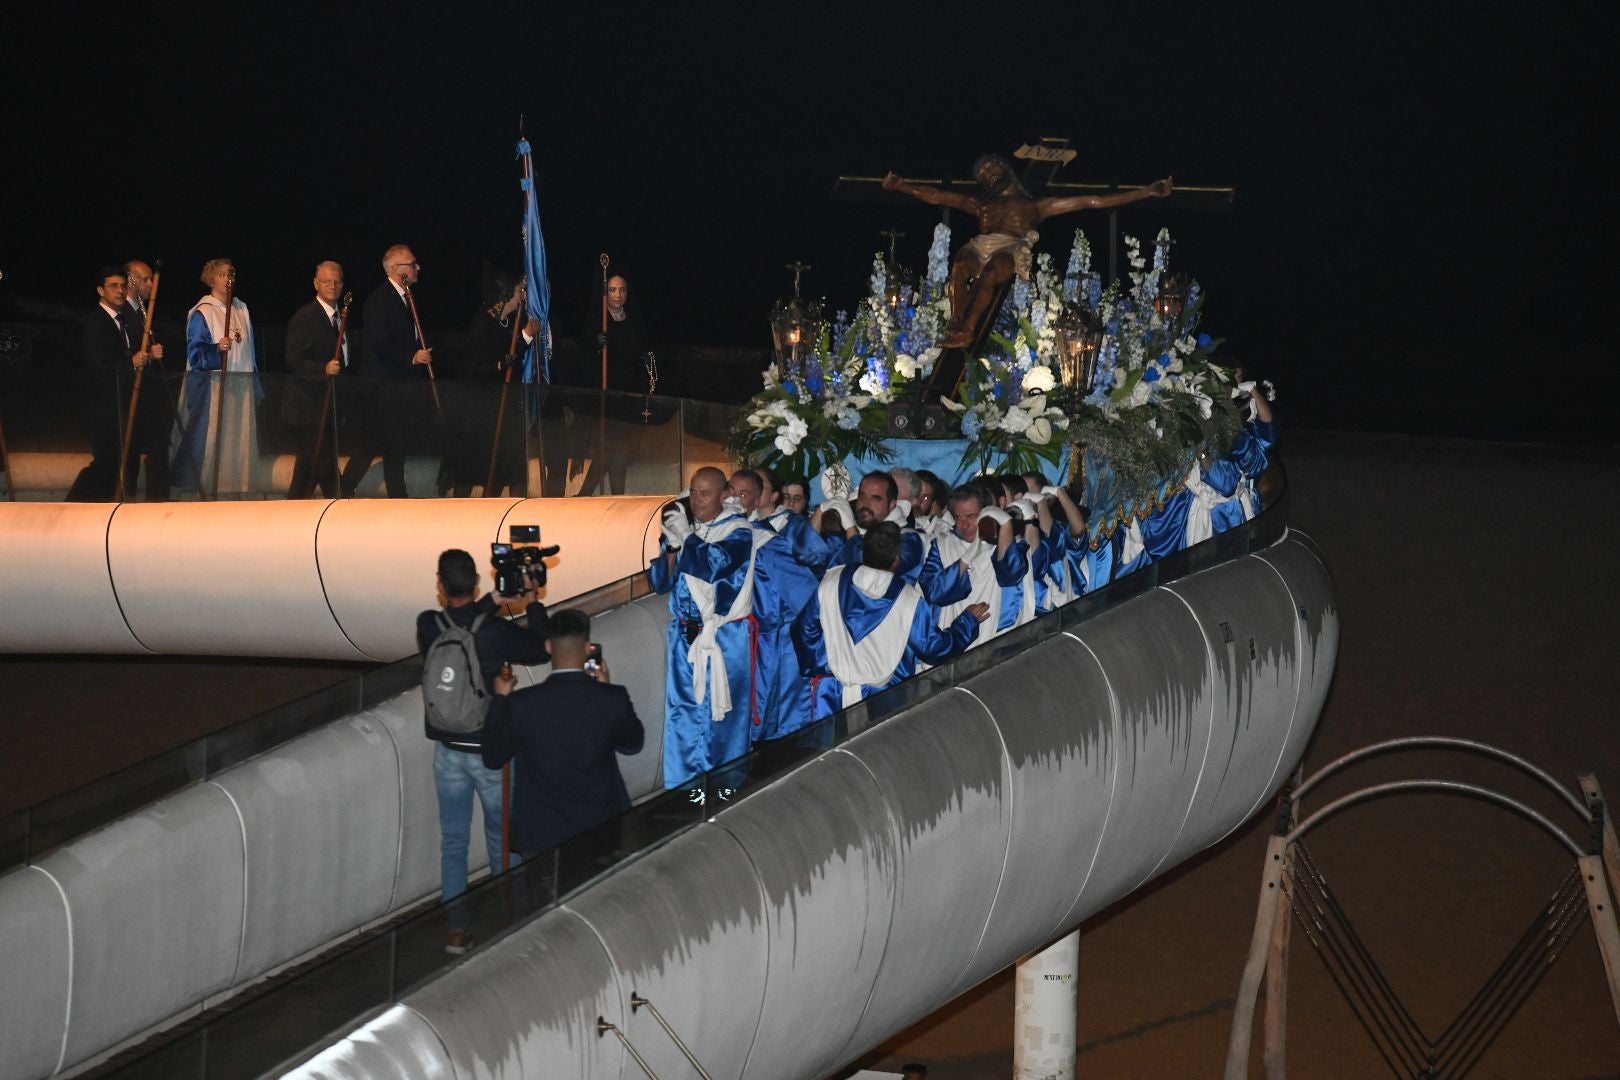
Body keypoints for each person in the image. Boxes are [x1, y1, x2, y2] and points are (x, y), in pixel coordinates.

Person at [415, 548, 552, 954]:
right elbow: (543, 648)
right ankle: (512, 918)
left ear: (440, 586)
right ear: (476, 582)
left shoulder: (427, 625)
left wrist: (493, 601)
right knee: (501, 838)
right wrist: (531, 600)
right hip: (490, 751)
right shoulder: (493, 632)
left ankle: (457, 929)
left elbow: (462, 617)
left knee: (454, 841)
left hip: (447, 750)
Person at [884, 156, 1173, 347]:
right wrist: (902, 186)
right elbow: (939, 196)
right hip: (980, 243)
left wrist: (1146, 191)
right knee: (960, 264)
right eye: (982, 175)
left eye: (990, 169)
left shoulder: (1036, 206)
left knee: (991, 273)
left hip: (1010, 247)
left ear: (1005, 169)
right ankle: (957, 321)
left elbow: (1094, 201)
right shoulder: (982, 205)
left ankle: (968, 330)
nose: (987, 176)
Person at [484, 608, 643, 860]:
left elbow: (492, 757)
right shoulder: (612, 698)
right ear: (588, 647)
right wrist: (605, 686)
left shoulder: (522, 704)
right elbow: (634, 742)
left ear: (548, 646)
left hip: (542, 837)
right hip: (599, 831)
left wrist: (501, 699)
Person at [794, 521, 987, 721]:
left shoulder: (831, 580)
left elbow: (804, 630)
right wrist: (967, 623)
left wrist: (831, 664)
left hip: (832, 692)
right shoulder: (909, 601)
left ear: (864, 551)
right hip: (885, 697)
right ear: (897, 560)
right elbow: (933, 648)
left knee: (828, 751)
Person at [650, 466, 767, 795]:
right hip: (684, 639)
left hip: (725, 640)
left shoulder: (739, 531)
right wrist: (671, 547)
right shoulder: (688, 529)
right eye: (694, 491)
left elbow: (714, 564)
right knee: (682, 716)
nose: (697, 500)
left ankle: (725, 793)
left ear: (724, 494)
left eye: (705, 493)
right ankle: (685, 793)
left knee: (724, 719)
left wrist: (686, 538)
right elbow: (660, 583)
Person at [730, 468, 822, 741]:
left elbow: (805, 590)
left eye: (744, 492)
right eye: (732, 491)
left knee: (773, 708)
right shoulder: (728, 532)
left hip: (768, 636)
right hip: (734, 638)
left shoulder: (771, 539)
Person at [342, 244, 434, 498]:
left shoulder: (405, 298)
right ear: (395, 269)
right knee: (375, 444)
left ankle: (396, 498)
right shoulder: (380, 300)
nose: (417, 268)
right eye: (411, 264)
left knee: (394, 445)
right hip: (380, 389)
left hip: (396, 388)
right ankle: (341, 490)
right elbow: (378, 342)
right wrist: (412, 357)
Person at [66, 267, 165, 501]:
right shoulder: (95, 323)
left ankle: (124, 508)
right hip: (105, 407)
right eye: (113, 286)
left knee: (129, 460)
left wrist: (148, 355)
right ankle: (75, 506)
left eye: (122, 285)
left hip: (126, 404)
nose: (120, 291)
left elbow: (128, 356)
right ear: (101, 290)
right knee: (107, 463)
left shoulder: (125, 322)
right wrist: (131, 363)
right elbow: (95, 367)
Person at [173, 258, 258, 496]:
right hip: (214, 386)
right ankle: (197, 483)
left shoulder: (241, 308)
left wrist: (256, 384)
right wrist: (216, 349)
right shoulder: (203, 312)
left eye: (231, 273)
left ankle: (232, 482)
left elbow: (250, 350)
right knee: (209, 436)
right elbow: (195, 354)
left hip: (240, 384)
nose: (227, 278)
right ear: (211, 278)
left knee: (236, 436)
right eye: (221, 274)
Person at [448, 274, 539, 497]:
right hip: (479, 408)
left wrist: (525, 336)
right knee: (474, 466)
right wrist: (498, 365)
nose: (522, 296)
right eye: (519, 291)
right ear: (506, 295)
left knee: (505, 464)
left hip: (502, 403)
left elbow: (513, 351)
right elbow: (474, 366)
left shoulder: (511, 320)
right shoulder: (484, 322)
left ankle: (496, 508)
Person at [282, 261, 348, 498]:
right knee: (327, 468)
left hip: (325, 407)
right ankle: (344, 515)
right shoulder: (306, 317)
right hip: (307, 409)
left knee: (306, 472)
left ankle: (291, 518)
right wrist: (323, 369)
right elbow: (294, 361)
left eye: (337, 281)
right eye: (327, 281)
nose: (332, 286)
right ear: (315, 284)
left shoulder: (339, 317)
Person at [933, 482, 1028, 641]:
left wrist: (1005, 524)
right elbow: (936, 593)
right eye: (958, 517)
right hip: (952, 638)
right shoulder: (941, 545)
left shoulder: (1005, 544)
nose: (964, 525)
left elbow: (1011, 576)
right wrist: (967, 558)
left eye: (971, 516)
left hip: (996, 640)